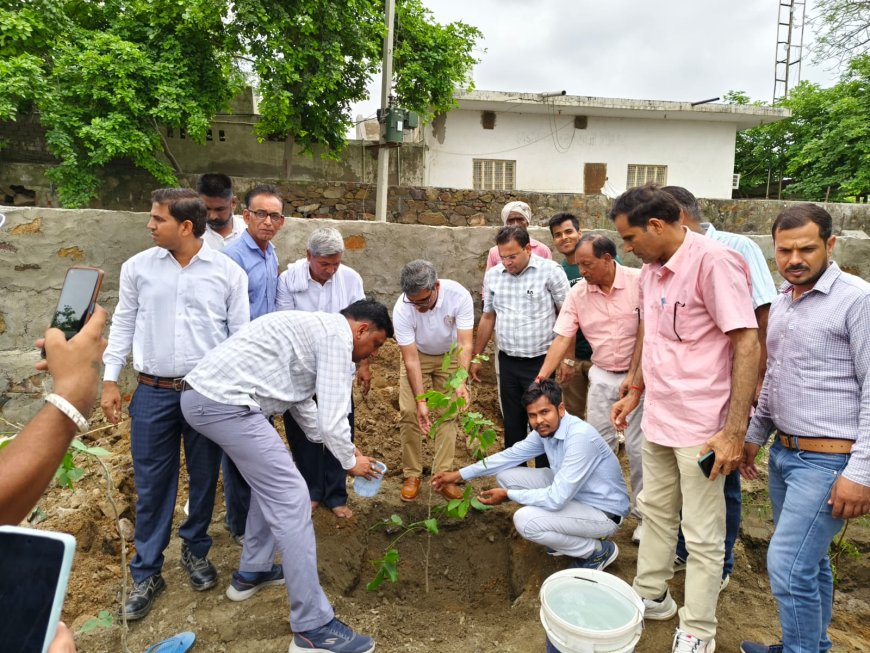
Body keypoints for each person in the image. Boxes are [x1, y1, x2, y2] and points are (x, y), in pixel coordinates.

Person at [180, 299, 392, 653]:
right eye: (375, 345)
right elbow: (334, 414)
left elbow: (304, 404)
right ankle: (313, 627)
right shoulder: (337, 340)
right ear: (361, 330)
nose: (371, 354)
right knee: (292, 496)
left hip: (210, 399)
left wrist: (348, 451)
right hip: (225, 404)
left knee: (275, 485)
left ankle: (254, 571)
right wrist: (348, 462)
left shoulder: (315, 331)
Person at [609, 185, 758, 653]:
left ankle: (698, 629)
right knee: (654, 512)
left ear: (657, 226)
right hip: (659, 416)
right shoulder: (652, 271)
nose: (627, 249)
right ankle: (651, 594)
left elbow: (747, 343)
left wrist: (734, 431)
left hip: (700, 425)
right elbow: (652, 334)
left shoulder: (714, 263)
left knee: (702, 533)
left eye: (630, 239)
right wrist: (635, 388)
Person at [101, 189, 250, 620]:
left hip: (206, 393)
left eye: (157, 219)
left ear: (185, 226)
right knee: (152, 485)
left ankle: (196, 550)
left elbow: (239, 338)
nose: (149, 225)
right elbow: (124, 322)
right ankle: (147, 570)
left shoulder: (227, 273)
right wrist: (110, 380)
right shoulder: (138, 269)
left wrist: (236, 392)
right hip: (151, 392)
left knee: (204, 479)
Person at [738, 204, 870, 653]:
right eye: (784, 249)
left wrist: (861, 472)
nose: (795, 258)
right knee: (809, 566)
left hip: (830, 461)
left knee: (788, 566)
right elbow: (775, 376)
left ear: (830, 245)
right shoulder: (783, 300)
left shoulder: (857, 299)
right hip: (786, 454)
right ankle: (811, 645)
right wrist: (755, 437)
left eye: (807, 248)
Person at [664, 185, 778, 591]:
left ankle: (722, 560)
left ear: (674, 215)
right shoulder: (672, 258)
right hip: (687, 394)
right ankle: (684, 547)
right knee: (687, 476)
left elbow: (762, 317)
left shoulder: (734, 247)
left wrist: (756, 384)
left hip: (730, 386)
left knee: (720, 472)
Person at [432, 380, 629, 569]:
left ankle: (597, 550)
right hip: (574, 494)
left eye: (545, 412)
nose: (539, 420)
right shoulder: (545, 431)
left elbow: (556, 499)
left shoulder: (579, 438)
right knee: (507, 477)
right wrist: (458, 475)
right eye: (532, 415)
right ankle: (565, 535)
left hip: (602, 512)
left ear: (560, 409)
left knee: (525, 521)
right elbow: (509, 456)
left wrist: (508, 495)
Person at [537, 233, 645, 543]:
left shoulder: (640, 282)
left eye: (587, 264)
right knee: (598, 446)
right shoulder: (578, 294)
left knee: (639, 450)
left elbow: (649, 331)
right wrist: (542, 377)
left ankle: (643, 516)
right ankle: (600, 508)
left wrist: (637, 378)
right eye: (579, 265)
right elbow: (562, 338)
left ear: (608, 259)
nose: (581, 271)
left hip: (640, 379)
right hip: (602, 375)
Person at [277, 227, 368, 519]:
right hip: (301, 370)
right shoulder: (288, 281)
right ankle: (311, 490)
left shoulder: (351, 279)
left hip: (339, 368)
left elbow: (362, 325)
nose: (330, 270)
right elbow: (284, 324)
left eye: (335, 264)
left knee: (340, 426)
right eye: (324, 264)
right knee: (303, 434)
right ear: (309, 256)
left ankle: (336, 493)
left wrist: (364, 364)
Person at [471, 226, 570, 468]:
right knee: (513, 422)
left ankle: (547, 475)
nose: (507, 262)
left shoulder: (550, 271)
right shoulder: (494, 275)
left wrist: (567, 358)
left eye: (512, 256)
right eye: (503, 257)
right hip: (508, 361)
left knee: (543, 420)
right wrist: (476, 357)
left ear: (528, 248)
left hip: (541, 361)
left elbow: (568, 316)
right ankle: (515, 478)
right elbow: (488, 317)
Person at [220, 184, 286, 542]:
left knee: (259, 440)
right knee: (239, 446)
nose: (267, 221)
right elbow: (225, 317)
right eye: (260, 213)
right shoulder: (233, 257)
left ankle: (256, 517)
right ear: (244, 216)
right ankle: (240, 523)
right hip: (239, 363)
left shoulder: (270, 252)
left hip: (264, 362)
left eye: (274, 215)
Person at [394, 260, 474, 502]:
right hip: (417, 355)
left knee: (449, 412)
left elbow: (465, 344)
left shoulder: (459, 296)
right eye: (413, 301)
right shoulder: (402, 308)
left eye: (424, 301)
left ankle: (442, 475)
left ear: (436, 286)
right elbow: (410, 360)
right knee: (409, 411)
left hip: (450, 356)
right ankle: (412, 474)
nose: (418, 307)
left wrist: (460, 381)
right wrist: (420, 401)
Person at [546, 213, 594, 418]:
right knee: (573, 413)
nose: (564, 237)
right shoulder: (558, 272)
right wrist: (567, 359)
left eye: (568, 231)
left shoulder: (601, 260)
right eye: (558, 235)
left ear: (579, 233)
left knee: (606, 413)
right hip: (574, 355)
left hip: (602, 355)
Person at [196, 173, 246, 251]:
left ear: (233, 202)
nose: (213, 216)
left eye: (219, 209)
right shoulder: (191, 236)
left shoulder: (248, 232)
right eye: (207, 208)